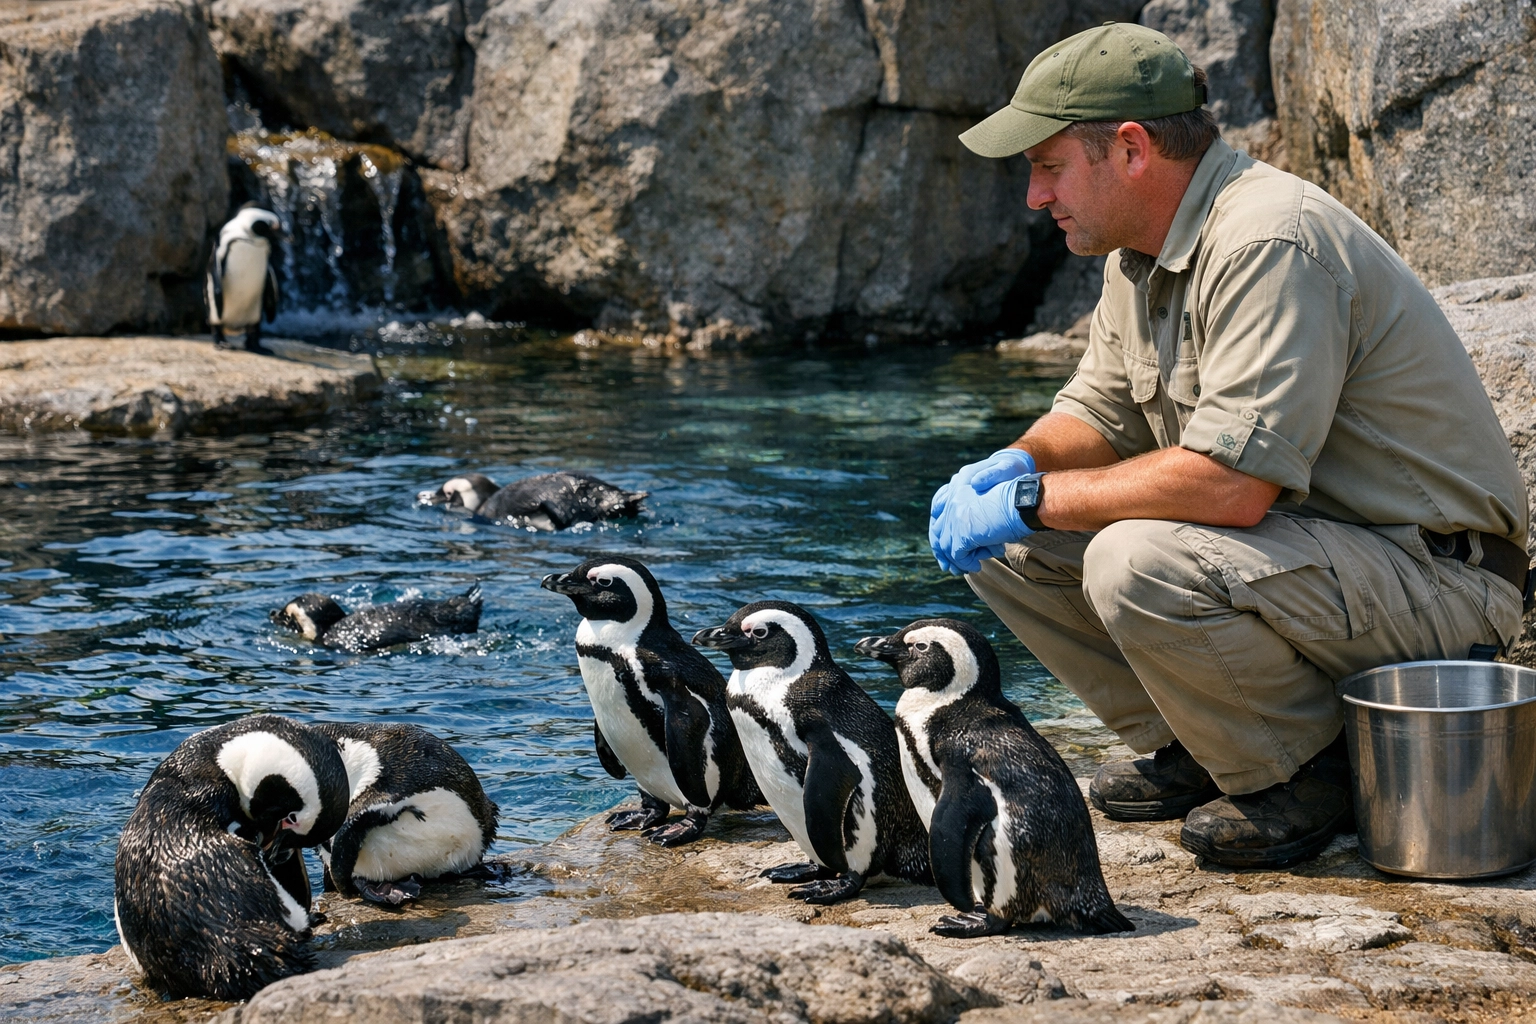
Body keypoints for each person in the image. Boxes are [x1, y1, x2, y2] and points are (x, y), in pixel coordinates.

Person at [930, 22, 1530, 869]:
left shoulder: (1267, 239)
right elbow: (1098, 412)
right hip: (1310, 564)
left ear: (1130, 149)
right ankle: (1201, 746)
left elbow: (1231, 489)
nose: (1034, 196)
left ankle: (1301, 771)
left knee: (1132, 559)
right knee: (1003, 548)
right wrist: (1017, 467)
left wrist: (1033, 498)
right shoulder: (1138, 249)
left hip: (1436, 583)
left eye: (1047, 164)